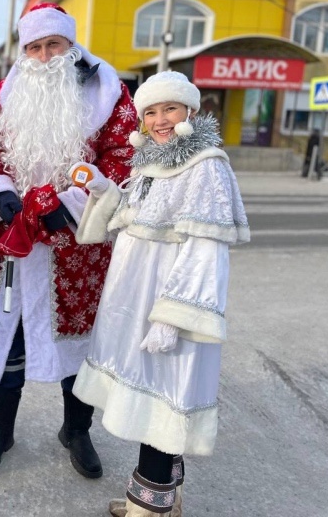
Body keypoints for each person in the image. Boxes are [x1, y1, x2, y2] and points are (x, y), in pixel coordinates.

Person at [71, 71, 250, 516]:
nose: (159, 120)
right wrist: (105, 192)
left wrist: (175, 317)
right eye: (150, 112)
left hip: (167, 302)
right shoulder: (152, 160)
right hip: (138, 301)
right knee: (153, 399)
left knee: (164, 402)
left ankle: (148, 508)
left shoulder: (205, 164)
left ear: (190, 111)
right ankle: (162, 497)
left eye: (169, 108)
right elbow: (136, 217)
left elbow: (205, 250)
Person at [0, 2, 137, 478]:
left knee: (78, 345)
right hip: (16, 245)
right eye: (35, 47)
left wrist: (73, 203)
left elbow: (123, 155)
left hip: (78, 247)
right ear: (24, 51)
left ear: (70, 45)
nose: (44, 57)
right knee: (8, 340)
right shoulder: (4, 94)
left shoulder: (108, 92)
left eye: (53, 45)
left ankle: (77, 431)